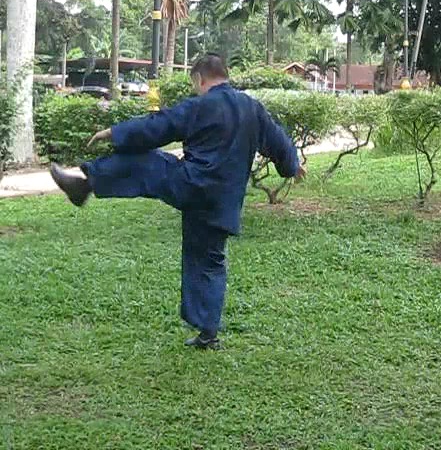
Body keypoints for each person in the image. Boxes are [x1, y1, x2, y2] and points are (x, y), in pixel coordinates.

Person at [50, 53, 305, 350]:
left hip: (192, 186)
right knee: (210, 260)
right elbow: (280, 144)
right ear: (226, 75)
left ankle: (86, 185)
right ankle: (208, 335)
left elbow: (160, 126)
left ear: (200, 79)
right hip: (225, 201)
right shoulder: (253, 108)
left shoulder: (201, 105)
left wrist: (115, 132)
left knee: (146, 162)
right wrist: (292, 165)